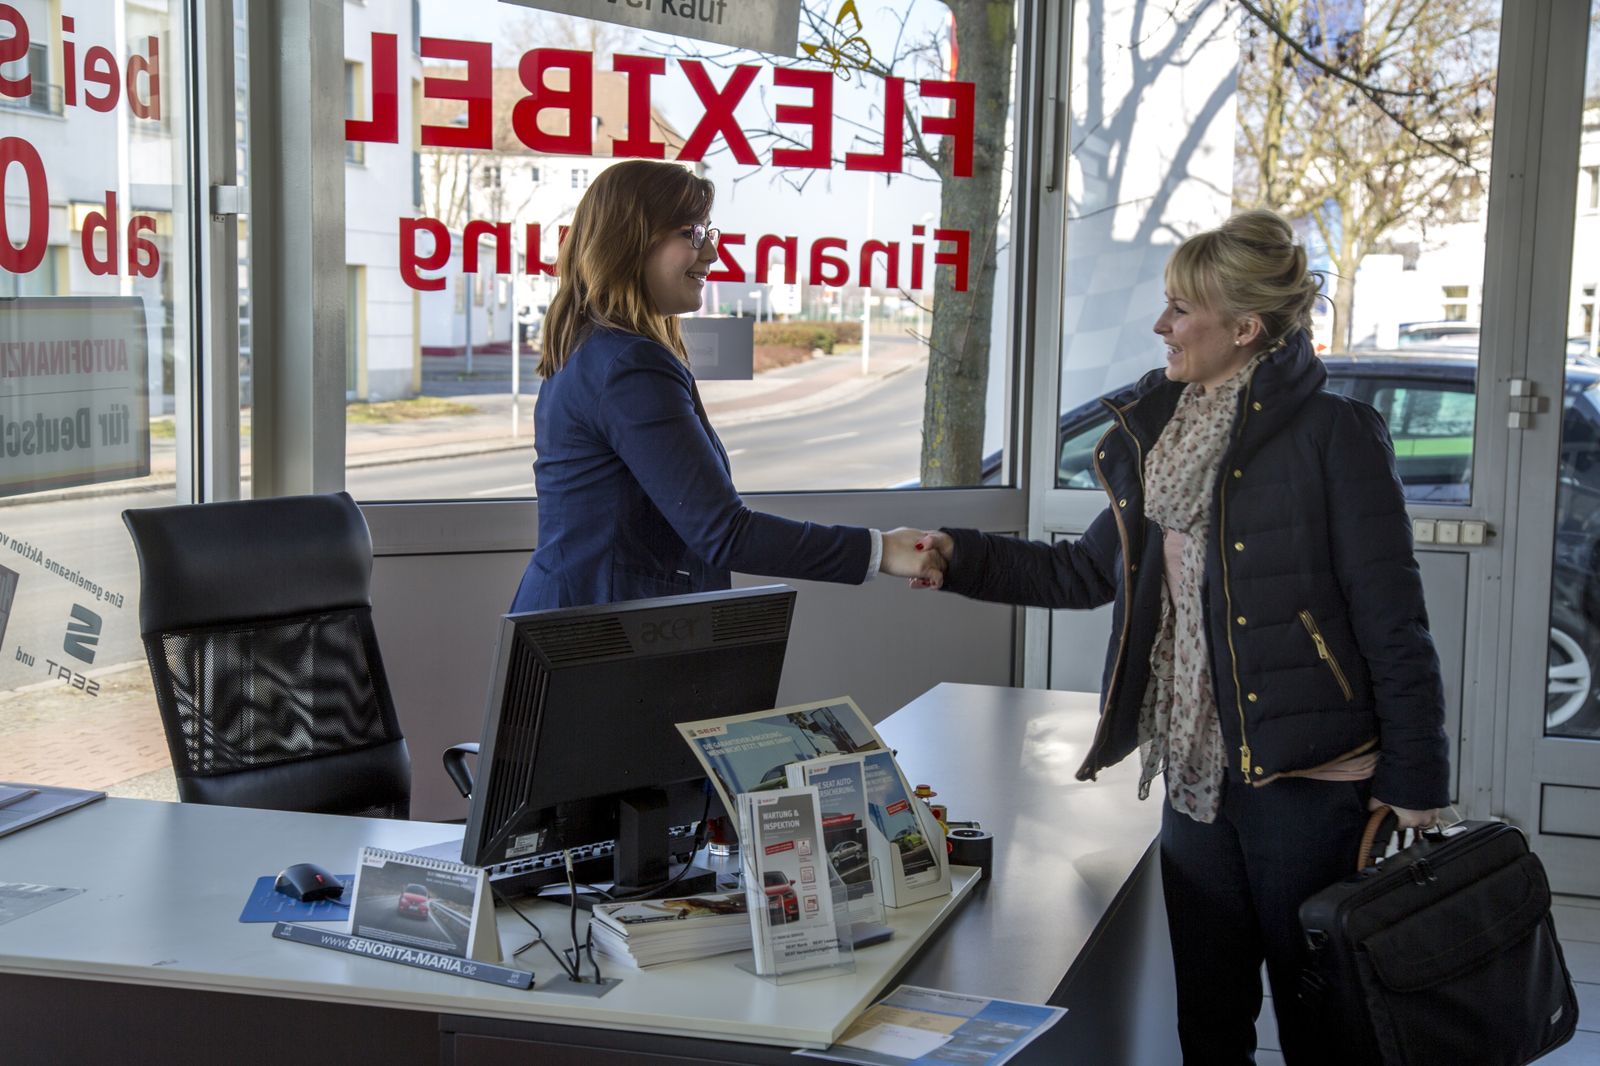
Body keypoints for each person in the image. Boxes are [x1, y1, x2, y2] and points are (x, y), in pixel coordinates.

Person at [892, 209, 1450, 1065]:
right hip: (1197, 779)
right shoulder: (1166, 439)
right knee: (1210, 1016)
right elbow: (1081, 574)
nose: (1162, 325)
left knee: (1324, 1021)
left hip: (1308, 783)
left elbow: (1393, 620)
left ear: (1245, 327)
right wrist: (956, 556)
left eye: (1181, 308)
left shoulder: (1334, 436)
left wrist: (1415, 779)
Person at [511, 159, 924, 610]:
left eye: (708, 233)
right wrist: (881, 550)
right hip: (595, 631)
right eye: (691, 233)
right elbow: (724, 533)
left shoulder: (595, 349)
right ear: (630, 241)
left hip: (581, 618)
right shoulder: (629, 365)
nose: (711, 252)